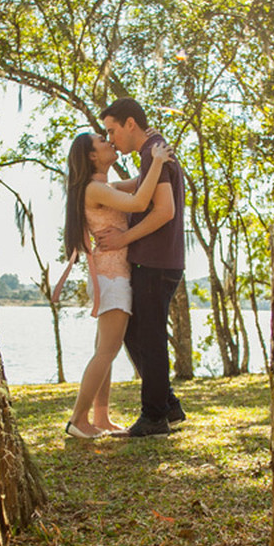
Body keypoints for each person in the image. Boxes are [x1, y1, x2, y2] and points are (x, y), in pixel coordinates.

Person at [57, 131, 174, 439]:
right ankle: (77, 420)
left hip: (111, 275)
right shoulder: (95, 189)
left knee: (104, 349)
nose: (109, 141)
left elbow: (140, 182)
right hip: (112, 277)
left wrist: (153, 158)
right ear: (92, 155)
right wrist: (158, 161)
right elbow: (139, 201)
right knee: (106, 351)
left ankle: (101, 417)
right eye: (102, 140)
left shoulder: (102, 187)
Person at [94, 98, 186, 437]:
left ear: (130, 124)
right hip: (156, 259)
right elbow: (141, 184)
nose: (111, 138)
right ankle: (167, 405)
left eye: (112, 130)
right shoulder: (154, 150)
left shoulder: (153, 151)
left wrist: (123, 239)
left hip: (156, 259)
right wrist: (104, 189)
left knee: (149, 337)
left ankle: (154, 417)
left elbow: (164, 210)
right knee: (135, 333)